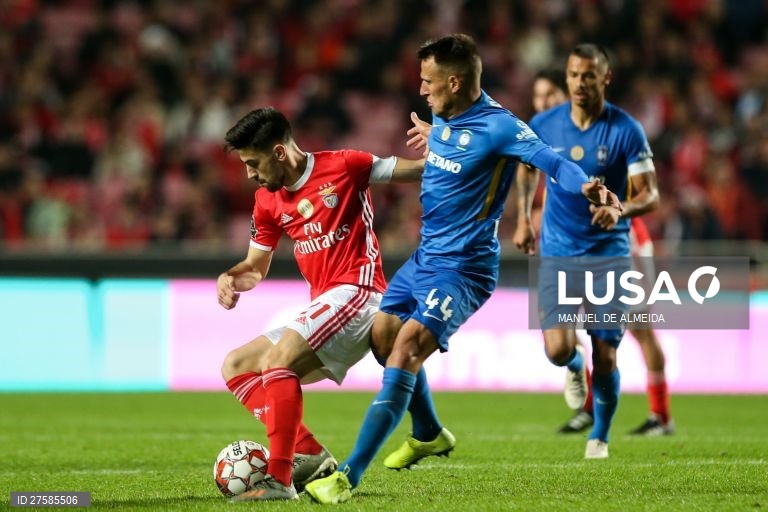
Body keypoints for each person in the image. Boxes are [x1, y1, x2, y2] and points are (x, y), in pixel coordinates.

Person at [305, 34, 619, 504]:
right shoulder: (445, 115)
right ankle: (429, 431)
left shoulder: (503, 128)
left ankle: (347, 475)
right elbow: (455, 143)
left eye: (428, 81)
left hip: (464, 268)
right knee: (383, 337)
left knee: (407, 349)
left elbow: (553, 163)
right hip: (425, 256)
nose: (422, 90)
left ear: (455, 81)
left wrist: (589, 186)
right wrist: (439, 137)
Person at [218, 107, 424, 502]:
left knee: (278, 362)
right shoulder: (266, 200)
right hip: (326, 303)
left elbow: (417, 170)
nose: (249, 174)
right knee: (237, 365)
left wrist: (451, 145)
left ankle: (278, 478)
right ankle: (310, 453)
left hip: (359, 293)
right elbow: (255, 269)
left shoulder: (346, 166)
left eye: (252, 162)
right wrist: (231, 279)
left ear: (278, 152)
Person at [515, 44, 660, 459]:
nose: (581, 82)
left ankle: (600, 435)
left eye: (589, 76)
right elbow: (526, 170)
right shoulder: (544, 124)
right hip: (558, 249)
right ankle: (574, 369)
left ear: (605, 78)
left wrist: (619, 209)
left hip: (608, 254)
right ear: (567, 78)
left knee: (607, 353)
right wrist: (525, 218)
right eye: (574, 75)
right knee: (559, 350)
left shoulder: (625, 129)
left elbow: (650, 194)